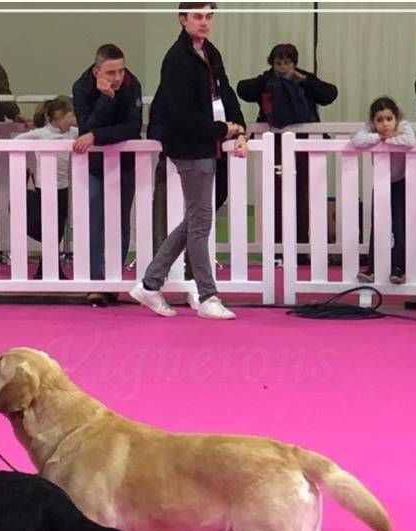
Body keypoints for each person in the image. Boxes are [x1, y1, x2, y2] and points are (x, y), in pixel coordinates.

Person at [130, 2, 245, 320]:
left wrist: (239, 126)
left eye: (209, 16)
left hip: (207, 143)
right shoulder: (177, 59)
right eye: (197, 16)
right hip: (190, 146)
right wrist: (221, 129)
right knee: (200, 222)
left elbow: (225, 92)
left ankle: (150, 283)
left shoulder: (210, 52)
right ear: (182, 20)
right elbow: (180, 113)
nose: (204, 22)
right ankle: (207, 295)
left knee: (195, 219)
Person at [237, 43, 338, 261]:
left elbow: (330, 94)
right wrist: (267, 80)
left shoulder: (304, 79)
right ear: (272, 63)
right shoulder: (266, 81)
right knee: (274, 196)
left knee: (302, 196)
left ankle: (300, 248)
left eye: (287, 62)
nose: (283, 67)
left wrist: (304, 80)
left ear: (295, 63)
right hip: (274, 145)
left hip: (303, 146)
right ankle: (276, 248)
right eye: (278, 62)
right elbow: (243, 89)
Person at [72, 43, 143, 306]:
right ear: (96, 71)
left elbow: (132, 127)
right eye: (111, 72)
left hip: (124, 162)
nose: (117, 78)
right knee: (94, 221)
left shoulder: (132, 84)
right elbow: (85, 126)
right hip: (93, 166)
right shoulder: (81, 87)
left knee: (121, 220)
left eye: (121, 71)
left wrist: (96, 136)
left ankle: (113, 279)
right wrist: (106, 99)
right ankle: (95, 281)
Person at [352, 97, 416, 284]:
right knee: (377, 225)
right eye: (379, 120)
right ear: (373, 121)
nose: (385, 124)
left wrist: (388, 140)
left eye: (389, 119)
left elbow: (410, 141)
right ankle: (373, 267)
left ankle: (398, 268)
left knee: (399, 225)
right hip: (381, 182)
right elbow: (357, 141)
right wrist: (379, 137)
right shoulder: (372, 130)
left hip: (400, 182)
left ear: (396, 118)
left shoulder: (403, 125)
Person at [13, 95, 78, 279]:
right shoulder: (41, 133)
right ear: (59, 116)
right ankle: (48, 269)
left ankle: (48, 269)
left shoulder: (72, 133)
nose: (73, 120)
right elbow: (17, 140)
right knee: (50, 229)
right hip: (45, 188)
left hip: (63, 188)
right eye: (71, 116)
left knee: (58, 231)